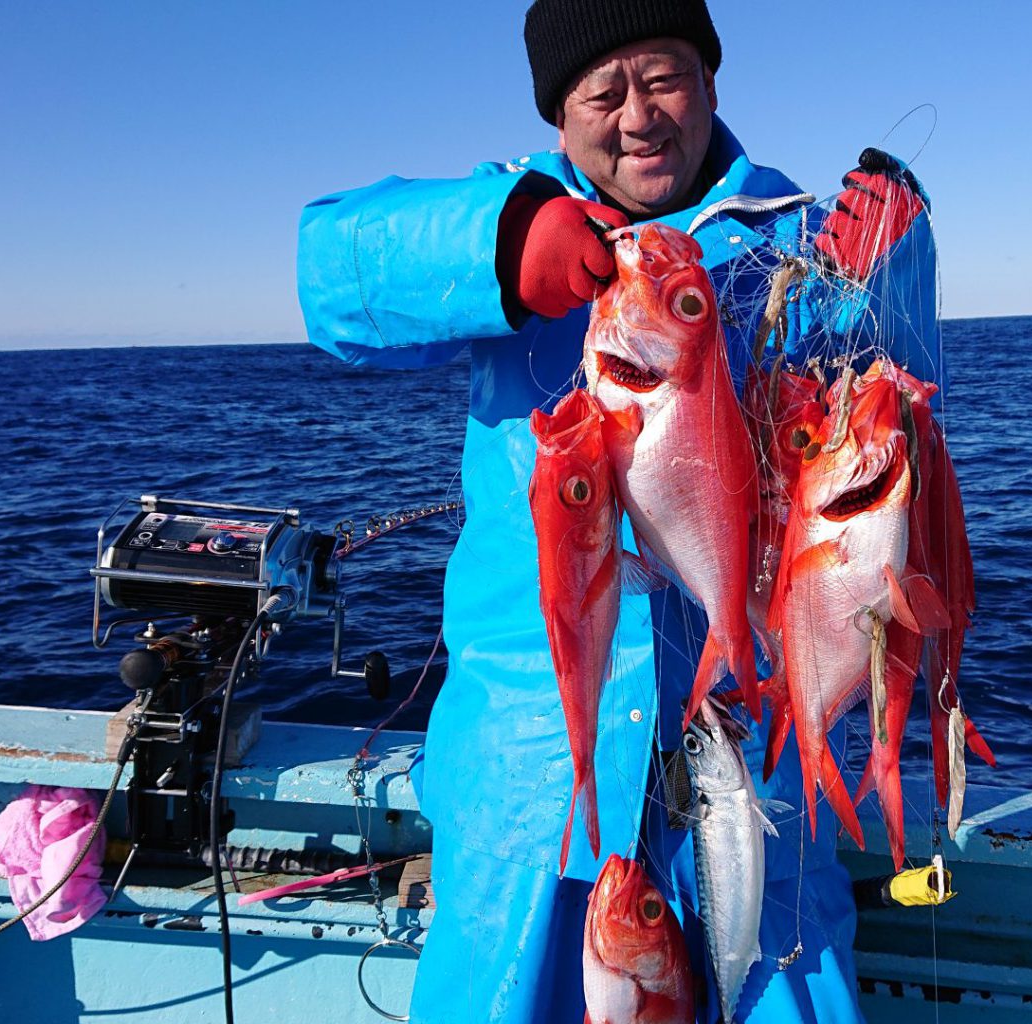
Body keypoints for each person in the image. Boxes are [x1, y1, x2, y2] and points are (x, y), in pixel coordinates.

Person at [296, 2, 940, 1019]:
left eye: (664, 77)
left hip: (753, 761)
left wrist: (893, 267)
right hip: (534, 785)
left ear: (711, 83)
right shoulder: (516, 211)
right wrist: (503, 243)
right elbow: (330, 274)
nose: (638, 116)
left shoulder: (792, 237)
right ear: (559, 118)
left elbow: (896, 433)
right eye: (602, 92)